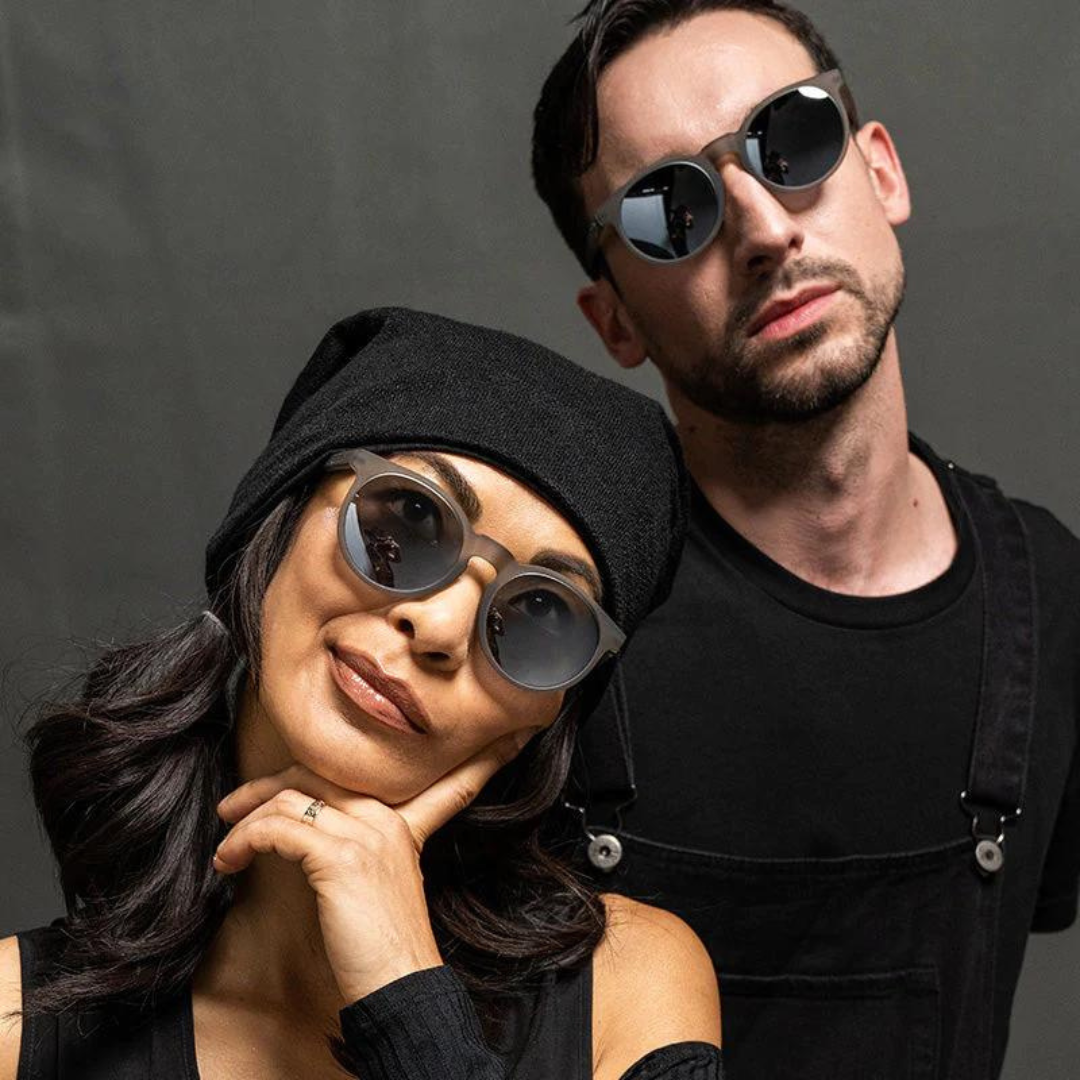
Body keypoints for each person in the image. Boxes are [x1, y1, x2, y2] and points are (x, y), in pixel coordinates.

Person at [531, 3, 1080, 1078]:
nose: (764, 232)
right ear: (616, 321)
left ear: (882, 170)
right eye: (670, 209)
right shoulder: (548, 624)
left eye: (792, 140)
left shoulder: (1052, 603)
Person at [0, 307, 724, 1079]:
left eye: (541, 614)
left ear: (548, 715)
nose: (439, 626)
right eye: (407, 520)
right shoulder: (13, 1023)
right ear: (273, 527)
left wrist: (405, 996)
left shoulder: (631, 987)